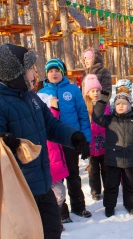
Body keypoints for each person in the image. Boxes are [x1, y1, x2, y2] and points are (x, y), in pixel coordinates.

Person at [0, 43, 86, 239]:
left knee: (51, 229)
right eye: (30, 68)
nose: (35, 72)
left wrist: (74, 136)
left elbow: (50, 125)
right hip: (17, 188)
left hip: (41, 182)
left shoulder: (30, 97)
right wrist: (6, 142)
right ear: (16, 72)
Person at [38, 58, 92, 219]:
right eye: (50, 71)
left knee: (73, 174)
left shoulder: (73, 90)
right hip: (52, 143)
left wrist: (85, 139)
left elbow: (82, 114)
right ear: (46, 74)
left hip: (70, 139)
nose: (54, 73)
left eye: (57, 70)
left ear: (62, 72)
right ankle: (61, 211)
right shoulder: (41, 94)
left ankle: (79, 206)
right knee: (56, 177)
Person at [92, 92, 133, 217]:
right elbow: (96, 117)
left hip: (129, 159)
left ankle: (130, 205)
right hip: (113, 159)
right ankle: (110, 206)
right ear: (114, 106)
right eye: (118, 104)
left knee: (130, 184)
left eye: (124, 104)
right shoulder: (109, 119)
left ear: (129, 105)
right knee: (111, 185)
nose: (121, 106)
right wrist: (103, 100)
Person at [38, 94, 71, 223]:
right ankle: (50, 219)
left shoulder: (51, 126)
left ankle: (55, 218)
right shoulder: (38, 127)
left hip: (56, 166)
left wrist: (54, 109)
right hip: (47, 168)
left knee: (59, 193)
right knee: (55, 194)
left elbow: (53, 122)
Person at [83, 74, 111, 201]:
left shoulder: (105, 105)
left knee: (106, 167)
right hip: (92, 142)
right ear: (87, 93)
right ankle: (95, 190)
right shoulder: (85, 107)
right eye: (92, 91)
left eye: (97, 90)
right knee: (93, 169)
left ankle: (108, 187)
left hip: (104, 141)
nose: (95, 93)